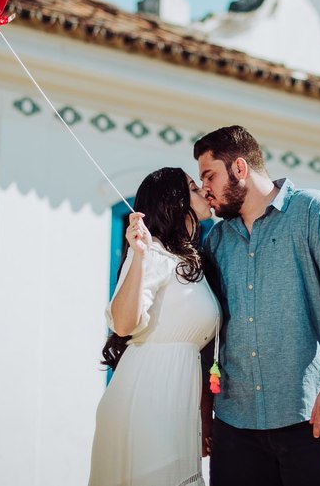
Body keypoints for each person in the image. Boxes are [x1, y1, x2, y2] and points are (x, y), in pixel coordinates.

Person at [195, 126, 320, 486]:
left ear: (240, 168)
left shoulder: (315, 212)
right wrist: (204, 412)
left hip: (309, 416)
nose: (205, 189)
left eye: (209, 175)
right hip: (234, 426)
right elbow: (209, 333)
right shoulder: (216, 240)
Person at [89, 168, 221, 486]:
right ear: (174, 201)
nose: (204, 190)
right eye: (193, 187)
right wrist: (139, 255)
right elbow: (123, 324)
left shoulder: (191, 261)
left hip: (178, 397)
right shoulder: (153, 254)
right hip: (148, 398)